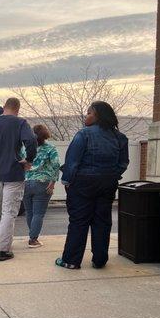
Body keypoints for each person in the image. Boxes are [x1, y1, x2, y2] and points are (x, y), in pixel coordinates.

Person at [56, 101, 129, 270]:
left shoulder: (83, 134)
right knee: (102, 221)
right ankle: (100, 260)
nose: (86, 116)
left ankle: (71, 261)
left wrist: (66, 181)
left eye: (89, 113)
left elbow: (72, 162)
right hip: (108, 183)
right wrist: (112, 175)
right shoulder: (120, 138)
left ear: (98, 116)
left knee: (78, 221)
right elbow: (123, 163)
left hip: (82, 184)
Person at [0, 97, 37, 261]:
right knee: (9, 212)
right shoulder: (20, 123)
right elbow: (31, 141)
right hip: (13, 173)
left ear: (4, 107)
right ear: (18, 109)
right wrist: (29, 159)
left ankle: (1, 243)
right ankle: (2, 249)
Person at [22, 125, 60, 248]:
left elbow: (22, 164)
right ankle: (33, 239)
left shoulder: (25, 149)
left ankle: (32, 234)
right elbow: (56, 165)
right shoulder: (50, 148)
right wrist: (53, 183)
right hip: (43, 183)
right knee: (38, 213)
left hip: (26, 182)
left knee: (29, 212)